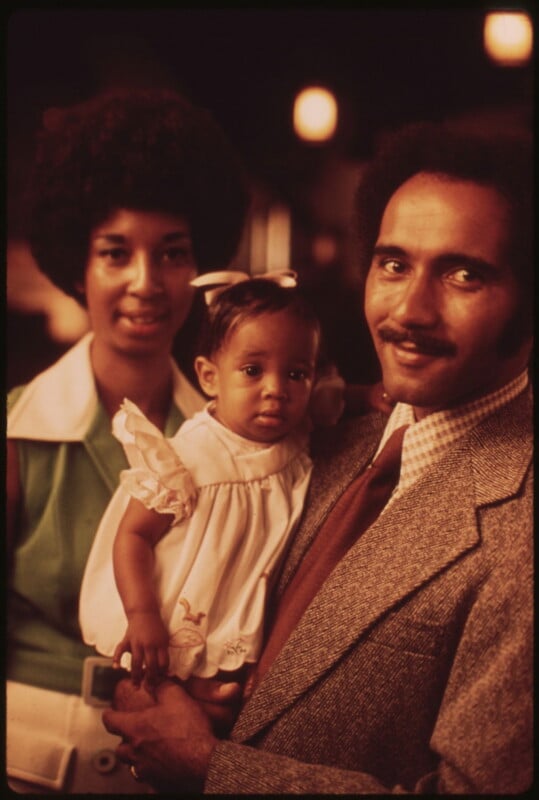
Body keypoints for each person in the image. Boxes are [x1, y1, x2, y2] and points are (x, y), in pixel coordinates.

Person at [102, 120, 533, 794]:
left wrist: (211, 768)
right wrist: (164, 701)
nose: (409, 310)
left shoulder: (522, 527)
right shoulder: (317, 439)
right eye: (393, 264)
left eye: (463, 274)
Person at [6, 86, 249, 794]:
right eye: (116, 253)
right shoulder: (16, 436)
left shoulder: (233, 444)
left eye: (171, 254)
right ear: (76, 267)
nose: (145, 283)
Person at [79, 275, 320, 698]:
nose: (276, 390)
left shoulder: (297, 435)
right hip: (173, 600)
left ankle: (210, 692)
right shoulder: (187, 460)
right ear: (210, 377)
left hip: (239, 594)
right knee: (169, 654)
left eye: (297, 373)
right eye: (252, 370)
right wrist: (141, 613)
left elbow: (336, 397)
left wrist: (369, 394)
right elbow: (132, 536)